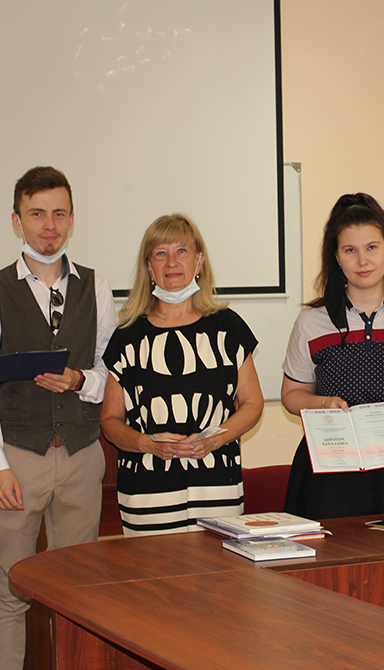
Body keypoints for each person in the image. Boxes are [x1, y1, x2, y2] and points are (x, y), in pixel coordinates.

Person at [0, 166, 116, 670]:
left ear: (72, 220)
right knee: (12, 588)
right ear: (17, 221)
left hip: (81, 453)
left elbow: (109, 373)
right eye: (36, 214)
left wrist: (79, 381)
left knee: (79, 591)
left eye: (58, 214)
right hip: (19, 456)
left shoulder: (98, 287)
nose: (48, 225)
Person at [281, 193, 384, 519]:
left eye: (372, 247)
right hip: (329, 469)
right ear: (336, 257)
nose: (362, 261)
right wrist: (325, 403)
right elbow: (291, 394)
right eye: (350, 250)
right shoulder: (312, 320)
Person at [100, 214, 264, 535]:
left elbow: (253, 403)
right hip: (147, 492)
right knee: (154, 569)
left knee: (215, 567)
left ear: (198, 261)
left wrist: (217, 438)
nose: (172, 262)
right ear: (149, 268)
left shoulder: (228, 327)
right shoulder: (128, 336)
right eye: (160, 253)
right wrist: (147, 444)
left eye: (181, 251)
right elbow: (109, 420)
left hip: (217, 485)